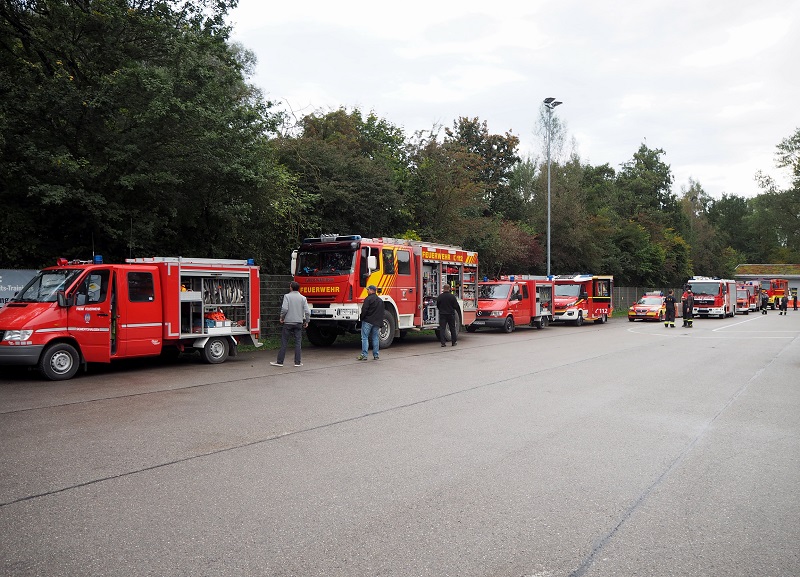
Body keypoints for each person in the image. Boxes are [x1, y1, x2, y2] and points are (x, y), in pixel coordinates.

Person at [270, 281, 309, 368]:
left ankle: (280, 361)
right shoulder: (303, 298)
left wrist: (282, 317)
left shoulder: (287, 296)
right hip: (299, 322)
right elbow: (307, 311)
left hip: (288, 322)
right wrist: (307, 321)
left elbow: (284, 309)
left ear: (291, 287)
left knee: (284, 342)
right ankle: (297, 362)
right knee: (298, 343)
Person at [358, 285, 384, 360]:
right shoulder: (380, 300)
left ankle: (364, 355)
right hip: (376, 323)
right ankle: (376, 355)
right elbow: (382, 312)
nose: (367, 291)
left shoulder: (368, 299)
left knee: (364, 337)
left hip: (368, 321)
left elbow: (364, 310)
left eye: (368, 290)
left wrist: (362, 318)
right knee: (375, 337)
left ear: (372, 290)